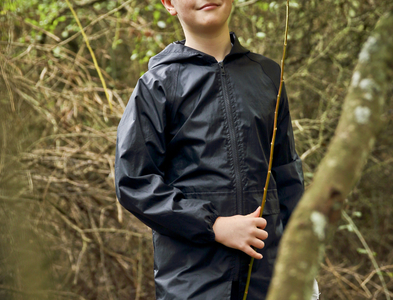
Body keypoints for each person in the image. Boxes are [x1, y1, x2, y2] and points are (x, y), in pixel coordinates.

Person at [115, 0, 318, 299]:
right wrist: (214, 226)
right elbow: (134, 182)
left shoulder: (268, 76)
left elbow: (287, 174)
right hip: (192, 283)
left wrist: (301, 264)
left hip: (268, 280)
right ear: (170, 4)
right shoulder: (157, 85)